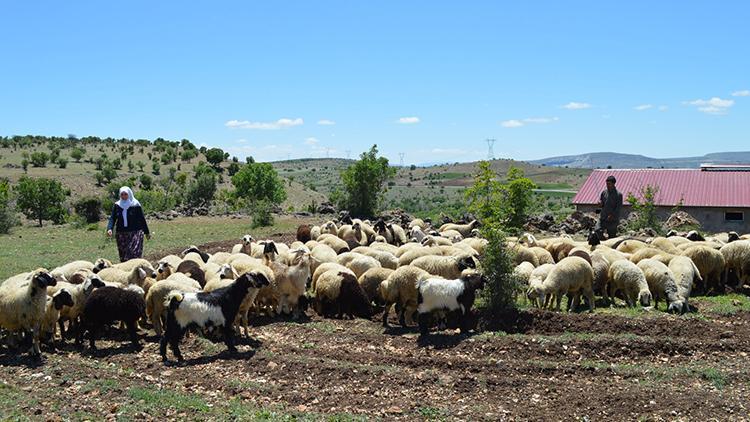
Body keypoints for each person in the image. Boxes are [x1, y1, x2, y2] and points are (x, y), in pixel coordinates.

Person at [107, 186, 151, 262]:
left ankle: (136, 269)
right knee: (124, 256)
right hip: (121, 233)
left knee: (134, 254)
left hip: (135, 232)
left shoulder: (135, 205)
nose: (124, 196)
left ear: (129, 194)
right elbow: (112, 218)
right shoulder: (117, 205)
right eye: (122, 194)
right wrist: (109, 228)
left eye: (125, 194)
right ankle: (127, 272)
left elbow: (141, 219)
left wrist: (146, 232)